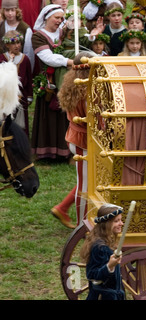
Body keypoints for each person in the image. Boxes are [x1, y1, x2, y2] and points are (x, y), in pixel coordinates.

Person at [51, 52, 95, 229]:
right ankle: (81, 224)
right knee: (85, 184)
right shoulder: (85, 90)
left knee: (87, 180)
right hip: (81, 142)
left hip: (76, 138)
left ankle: (63, 208)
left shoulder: (73, 83)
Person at [31, 4, 73, 160]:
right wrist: (69, 62)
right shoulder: (38, 36)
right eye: (57, 18)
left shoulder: (64, 33)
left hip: (65, 81)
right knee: (49, 115)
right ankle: (47, 152)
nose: (60, 21)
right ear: (47, 17)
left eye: (62, 18)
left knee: (65, 115)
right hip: (49, 83)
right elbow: (48, 58)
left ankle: (66, 151)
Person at [80, 203, 125, 300]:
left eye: (121, 220)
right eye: (116, 221)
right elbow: (92, 275)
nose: (121, 223)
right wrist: (109, 266)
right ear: (107, 224)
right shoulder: (100, 247)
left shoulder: (107, 240)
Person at [0, 30, 32, 136]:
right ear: (7, 44)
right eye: (13, 43)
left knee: (20, 120)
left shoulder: (25, 59)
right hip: (5, 96)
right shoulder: (2, 58)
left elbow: (28, 77)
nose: (17, 46)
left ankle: (20, 142)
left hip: (21, 96)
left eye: (18, 43)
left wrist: (29, 95)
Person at [0, 0, 34, 71]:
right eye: (7, 10)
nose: (10, 13)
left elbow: (29, 53)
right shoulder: (1, 26)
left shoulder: (25, 29)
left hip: (19, 68)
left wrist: (28, 71)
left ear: (17, 11)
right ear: (3, 11)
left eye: (12, 10)